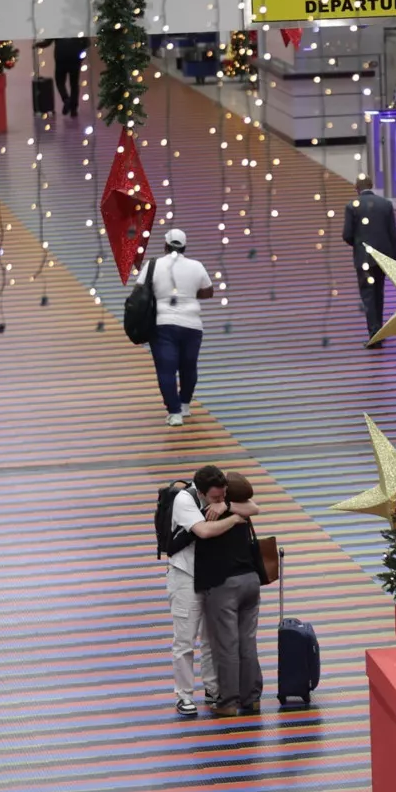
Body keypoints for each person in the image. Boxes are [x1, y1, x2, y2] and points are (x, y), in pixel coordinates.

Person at [166, 465, 259, 717]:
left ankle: (213, 689)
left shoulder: (221, 496)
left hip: (211, 577)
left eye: (223, 495)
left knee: (211, 639)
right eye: (216, 498)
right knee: (185, 639)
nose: (220, 500)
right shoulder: (184, 500)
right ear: (202, 493)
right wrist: (234, 518)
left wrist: (226, 507)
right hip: (185, 576)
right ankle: (184, 695)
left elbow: (254, 508)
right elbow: (204, 531)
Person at [196, 470, 266, 718]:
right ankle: (252, 698)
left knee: (226, 645)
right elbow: (254, 507)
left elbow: (202, 532)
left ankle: (228, 701)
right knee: (247, 642)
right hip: (251, 581)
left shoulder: (209, 512)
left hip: (224, 584)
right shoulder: (242, 509)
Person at [138, 229, 214, 426]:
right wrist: (187, 295)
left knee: (166, 368)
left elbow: (139, 290)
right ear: (184, 246)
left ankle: (174, 413)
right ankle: (185, 405)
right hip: (192, 325)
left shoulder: (153, 265)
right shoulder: (196, 266)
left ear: (165, 245)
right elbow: (208, 291)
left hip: (162, 324)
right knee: (188, 366)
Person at [342, 175, 396, 347]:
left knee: (368, 295)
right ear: (371, 186)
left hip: (364, 258)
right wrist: (393, 259)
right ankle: (379, 331)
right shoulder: (386, 205)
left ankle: (375, 335)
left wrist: (359, 246)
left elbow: (347, 235)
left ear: (356, 188)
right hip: (382, 258)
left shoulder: (352, 207)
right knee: (379, 293)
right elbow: (392, 234)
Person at [35, 36, 89, 118]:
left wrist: (37, 44)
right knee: (74, 84)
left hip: (61, 57)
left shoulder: (58, 28)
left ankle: (66, 100)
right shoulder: (77, 26)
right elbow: (87, 42)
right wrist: (79, 48)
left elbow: (47, 42)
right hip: (75, 57)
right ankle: (73, 109)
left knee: (60, 82)